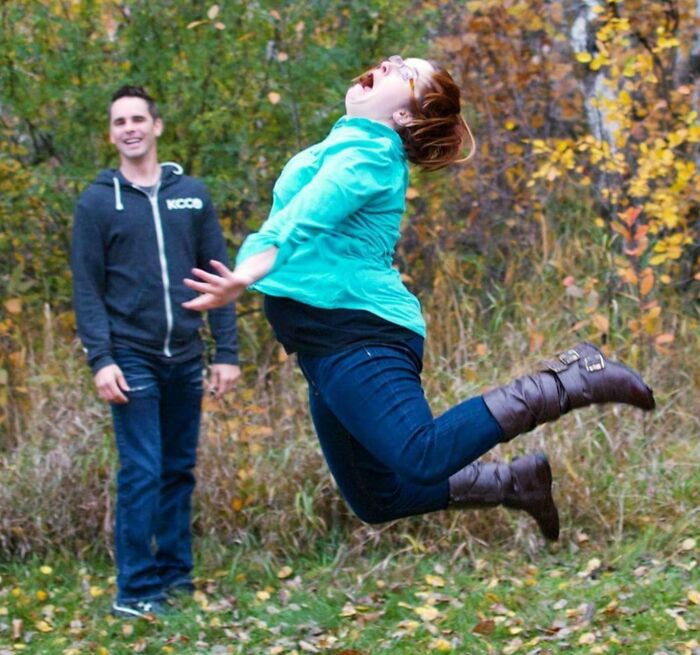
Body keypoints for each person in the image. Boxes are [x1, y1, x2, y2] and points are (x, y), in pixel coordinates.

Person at [182, 56, 654, 544]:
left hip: (357, 331)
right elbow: (296, 215)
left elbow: (303, 218)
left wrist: (245, 274)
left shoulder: (369, 155)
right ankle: (515, 482)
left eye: (405, 71)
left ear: (403, 115)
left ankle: (570, 380)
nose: (389, 61)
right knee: (377, 497)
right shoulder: (344, 143)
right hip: (322, 343)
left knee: (420, 454)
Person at [71, 85, 241, 618]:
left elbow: (219, 277)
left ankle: (174, 576)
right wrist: (101, 359)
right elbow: (86, 288)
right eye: (119, 121)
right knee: (142, 470)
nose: (130, 128)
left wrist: (226, 351)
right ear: (111, 134)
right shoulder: (97, 202)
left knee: (177, 469)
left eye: (137, 119)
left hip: (186, 355)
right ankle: (136, 590)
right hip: (131, 355)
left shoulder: (192, 194)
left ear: (156, 126)